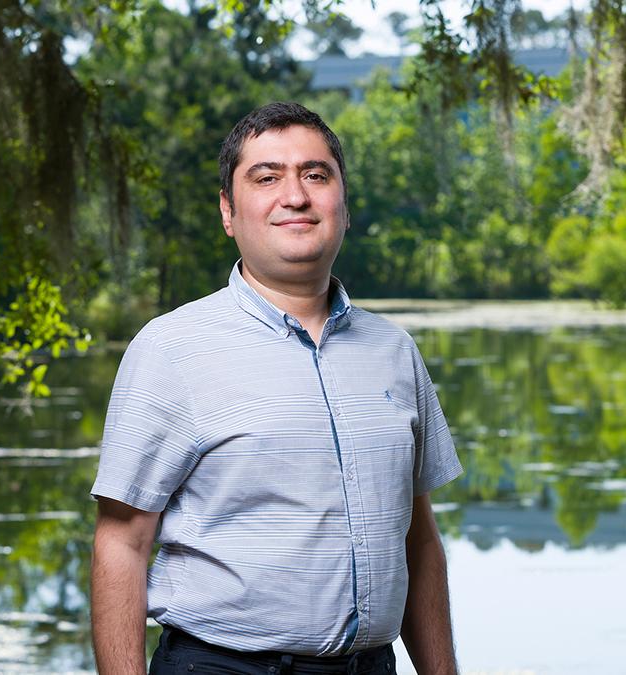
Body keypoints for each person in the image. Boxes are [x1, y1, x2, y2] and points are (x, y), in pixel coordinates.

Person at [89, 101, 464, 675]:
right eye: (266, 178)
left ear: (343, 203)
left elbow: (418, 540)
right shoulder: (170, 349)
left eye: (316, 175)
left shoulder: (395, 353)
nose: (295, 195)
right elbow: (122, 544)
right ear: (228, 211)